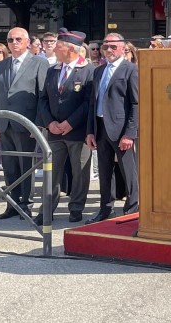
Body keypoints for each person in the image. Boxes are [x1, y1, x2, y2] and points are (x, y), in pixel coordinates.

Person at [36, 30, 94, 224]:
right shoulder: (53, 70)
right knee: (51, 172)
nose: (53, 49)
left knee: (80, 172)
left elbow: (88, 103)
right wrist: (49, 122)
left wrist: (70, 123)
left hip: (77, 132)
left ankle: (76, 208)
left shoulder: (88, 70)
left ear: (70, 49)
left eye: (58, 46)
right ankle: (46, 209)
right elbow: (43, 99)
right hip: (54, 131)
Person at [0, 28, 48, 219]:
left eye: (18, 39)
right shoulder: (2, 65)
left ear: (27, 42)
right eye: (10, 40)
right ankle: (12, 203)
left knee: (26, 166)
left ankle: (26, 203)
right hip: (5, 123)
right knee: (9, 166)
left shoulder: (39, 62)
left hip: (26, 124)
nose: (14, 43)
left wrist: (38, 125)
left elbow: (42, 96)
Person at [85, 33, 139, 223]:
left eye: (113, 46)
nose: (109, 50)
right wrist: (90, 131)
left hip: (121, 129)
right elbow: (93, 103)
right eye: (105, 46)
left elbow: (136, 104)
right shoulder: (99, 70)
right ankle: (106, 208)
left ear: (123, 48)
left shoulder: (130, 69)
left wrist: (129, 134)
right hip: (101, 127)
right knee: (105, 171)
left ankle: (132, 210)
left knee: (128, 171)